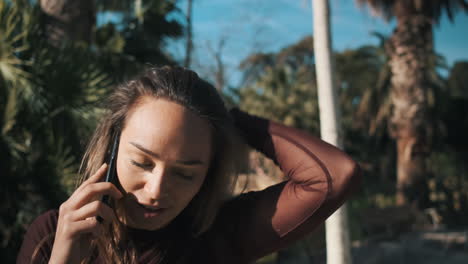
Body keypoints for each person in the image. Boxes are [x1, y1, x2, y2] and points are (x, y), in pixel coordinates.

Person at [17, 66, 361, 264]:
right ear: (112, 148)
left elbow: (334, 175)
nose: (156, 191)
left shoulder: (220, 234)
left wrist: (229, 121)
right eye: (141, 162)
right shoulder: (53, 233)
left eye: (185, 173)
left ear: (207, 174)